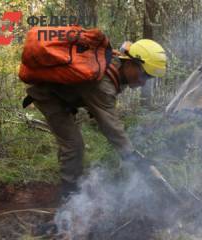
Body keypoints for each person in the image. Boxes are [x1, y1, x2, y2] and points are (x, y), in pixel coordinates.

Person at [25, 39, 167, 199]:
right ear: (131, 63)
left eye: (148, 78)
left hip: (66, 96)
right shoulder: (104, 83)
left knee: (71, 143)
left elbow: (103, 107)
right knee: (74, 145)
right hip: (48, 96)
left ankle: (70, 172)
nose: (143, 82)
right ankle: (69, 195)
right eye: (144, 75)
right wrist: (131, 156)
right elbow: (111, 127)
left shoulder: (116, 64)